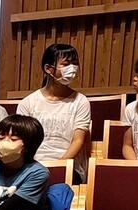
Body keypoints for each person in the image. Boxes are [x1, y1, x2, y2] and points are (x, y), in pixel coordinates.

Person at [17, 44, 90, 183]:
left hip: (68, 167)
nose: (72, 68)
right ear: (48, 69)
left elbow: (78, 140)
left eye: (75, 63)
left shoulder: (81, 101)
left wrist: (59, 166)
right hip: (32, 166)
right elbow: (22, 141)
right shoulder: (28, 103)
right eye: (66, 64)